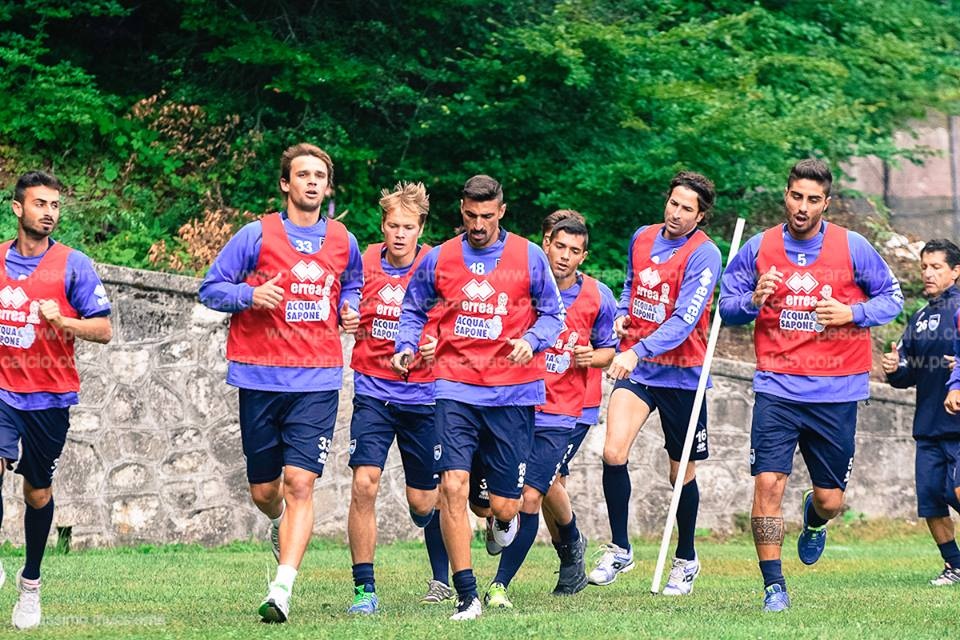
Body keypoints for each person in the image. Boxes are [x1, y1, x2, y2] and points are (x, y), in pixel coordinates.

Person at [719, 158, 903, 612]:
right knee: (768, 484)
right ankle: (773, 586)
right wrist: (751, 299)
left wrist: (852, 313)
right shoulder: (759, 248)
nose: (802, 207)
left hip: (836, 391)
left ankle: (815, 520)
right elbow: (726, 307)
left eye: (813, 199)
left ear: (827, 202)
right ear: (786, 195)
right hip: (777, 387)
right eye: (796, 196)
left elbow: (892, 298)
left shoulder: (853, 247)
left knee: (831, 499)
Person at [198, 143, 363, 623]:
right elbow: (211, 288)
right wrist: (251, 294)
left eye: (320, 176)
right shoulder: (256, 235)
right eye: (302, 175)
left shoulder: (342, 240)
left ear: (327, 187)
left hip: (317, 378)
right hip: (260, 376)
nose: (312, 182)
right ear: (285, 184)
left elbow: (351, 282)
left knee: (301, 484)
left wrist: (349, 308)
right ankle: (277, 523)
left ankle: (281, 590)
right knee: (265, 492)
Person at [391, 175, 563, 620]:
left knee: (506, 505)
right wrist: (406, 345)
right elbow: (413, 307)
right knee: (451, 486)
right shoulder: (442, 257)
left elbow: (553, 316)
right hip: (454, 388)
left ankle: (499, 520)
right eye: (471, 216)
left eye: (487, 216)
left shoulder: (529, 255)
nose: (479, 224)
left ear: (501, 211)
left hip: (512, 393)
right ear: (461, 211)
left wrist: (533, 339)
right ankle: (466, 593)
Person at [595, 171, 721, 596]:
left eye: (687, 208)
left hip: (683, 375)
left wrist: (635, 349)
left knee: (680, 472)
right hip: (641, 370)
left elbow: (686, 320)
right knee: (613, 451)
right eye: (673, 203)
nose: (676, 213)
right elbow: (632, 285)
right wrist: (623, 312)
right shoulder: (642, 237)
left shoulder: (705, 254)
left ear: (700, 216)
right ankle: (620, 548)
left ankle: (686, 558)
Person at [482, 214, 616, 609]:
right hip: (517, 405)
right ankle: (572, 543)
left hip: (566, 414)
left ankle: (499, 585)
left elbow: (610, 350)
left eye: (575, 251)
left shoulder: (597, 296)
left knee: (530, 495)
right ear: (545, 243)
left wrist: (594, 356)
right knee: (530, 489)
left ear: (584, 256)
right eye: (559, 247)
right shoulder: (519, 288)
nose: (565, 257)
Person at [0, 171, 113, 629]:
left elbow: (103, 330)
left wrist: (65, 321)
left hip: (48, 397)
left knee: (37, 492)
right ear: (17, 208)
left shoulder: (73, 264)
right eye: (40, 204)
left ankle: (30, 584)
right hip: (3, 390)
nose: (49, 212)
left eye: (55, 206)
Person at [345, 181, 450, 614]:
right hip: (372, 388)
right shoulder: (365, 259)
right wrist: (346, 313)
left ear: (420, 227)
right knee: (363, 485)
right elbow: (345, 294)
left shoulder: (439, 265)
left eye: (409, 226)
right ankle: (364, 591)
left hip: (424, 396)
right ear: (383, 226)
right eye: (393, 225)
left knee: (422, 502)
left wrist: (434, 342)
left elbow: (459, 317)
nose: (400, 233)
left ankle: (442, 571)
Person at [887, 239, 960, 586]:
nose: (928, 274)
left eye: (936, 267)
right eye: (924, 267)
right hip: (928, 426)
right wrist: (894, 368)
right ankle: (954, 566)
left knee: (955, 491)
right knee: (932, 500)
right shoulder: (919, 318)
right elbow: (907, 373)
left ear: (956, 272)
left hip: (958, 425)